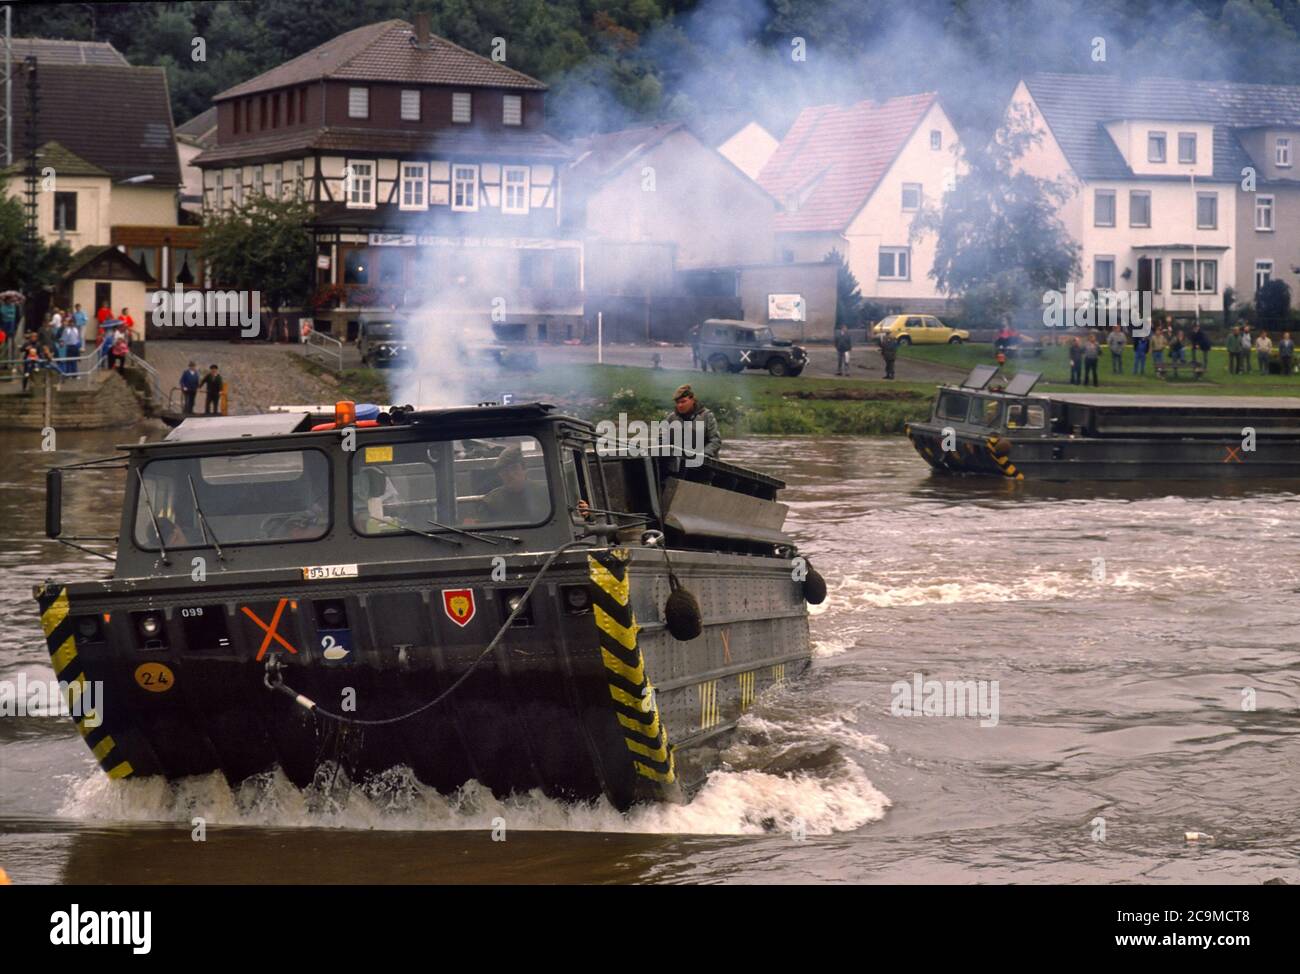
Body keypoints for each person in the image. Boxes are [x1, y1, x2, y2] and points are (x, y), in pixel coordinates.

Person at [480, 445, 549, 522]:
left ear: (524, 469)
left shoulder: (546, 492)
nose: (510, 475)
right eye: (504, 471)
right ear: (500, 474)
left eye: (514, 468)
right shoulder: (492, 501)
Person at [662, 384, 722, 460]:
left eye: (683, 402)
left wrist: (703, 454)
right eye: (677, 403)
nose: (680, 405)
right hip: (678, 460)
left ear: (692, 400)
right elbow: (662, 439)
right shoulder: (671, 418)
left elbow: (715, 441)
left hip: (704, 462)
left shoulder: (706, 416)